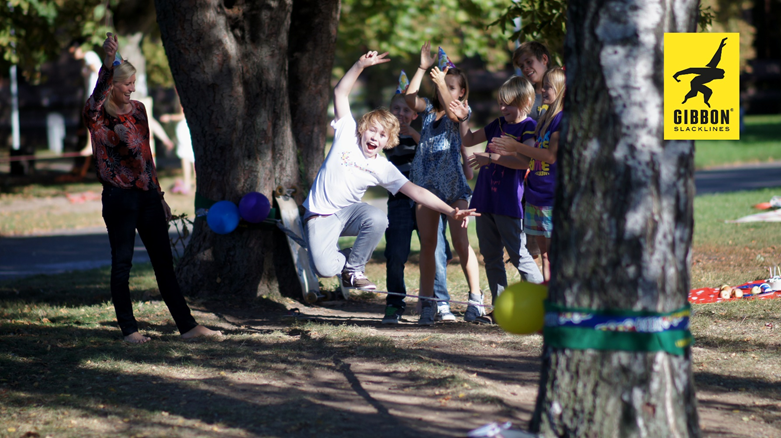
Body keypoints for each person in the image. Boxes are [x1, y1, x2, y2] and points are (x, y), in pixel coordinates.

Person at [303, 50, 478, 326]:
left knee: (377, 218)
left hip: (349, 213)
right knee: (324, 268)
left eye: (382, 135)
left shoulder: (382, 166)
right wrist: (360, 64)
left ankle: (354, 267)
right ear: (362, 129)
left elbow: (416, 192)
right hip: (320, 216)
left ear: (389, 141)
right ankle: (337, 263)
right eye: (372, 130)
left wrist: (450, 211)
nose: (375, 137)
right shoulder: (347, 133)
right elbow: (340, 92)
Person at [84, 33, 221, 343]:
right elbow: (99, 91)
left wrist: (159, 196)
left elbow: (146, 155)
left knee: (164, 264)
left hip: (147, 196)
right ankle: (129, 331)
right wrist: (108, 63)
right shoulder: (97, 116)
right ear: (112, 86)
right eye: (127, 83)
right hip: (119, 199)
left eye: (133, 82)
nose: (132, 88)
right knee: (122, 265)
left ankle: (187, 327)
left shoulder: (139, 110)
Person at [450, 76, 544, 322]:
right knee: (491, 257)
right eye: (500, 103)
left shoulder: (528, 127)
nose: (502, 109)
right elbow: (469, 140)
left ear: (524, 102)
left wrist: (491, 158)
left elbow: (525, 162)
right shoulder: (498, 124)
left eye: (508, 104)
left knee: (518, 255)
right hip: (484, 200)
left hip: (508, 203)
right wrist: (463, 119)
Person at [405, 42, 482, 324]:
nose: (445, 89)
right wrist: (423, 68)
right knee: (428, 244)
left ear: (461, 91)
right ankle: (428, 303)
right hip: (425, 187)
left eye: (452, 86)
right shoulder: (427, 111)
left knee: (461, 243)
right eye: (443, 85)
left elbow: (455, 115)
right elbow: (410, 97)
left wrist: (439, 82)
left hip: (453, 187)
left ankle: (476, 298)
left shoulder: (463, 108)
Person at [382, 92, 455, 324]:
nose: (401, 114)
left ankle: (438, 301)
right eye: (396, 109)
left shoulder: (424, 133)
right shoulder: (385, 137)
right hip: (399, 202)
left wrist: (414, 135)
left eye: (406, 110)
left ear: (415, 114)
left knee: (436, 251)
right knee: (395, 253)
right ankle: (395, 304)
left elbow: (437, 156)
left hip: (428, 201)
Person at [490, 67, 566, 281]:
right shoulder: (543, 119)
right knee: (544, 255)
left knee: (554, 253)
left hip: (552, 197)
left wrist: (516, 146)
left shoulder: (562, 119)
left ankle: (557, 297)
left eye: (548, 86)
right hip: (536, 195)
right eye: (544, 86)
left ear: (562, 89)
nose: (543, 89)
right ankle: (546, 300)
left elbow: (551, 156)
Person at [512, 41, 553, 263]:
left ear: (544, 59)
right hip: (531, 180)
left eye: (530, 62)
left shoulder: (560, 95)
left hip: (553, 180)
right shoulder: (528, 99)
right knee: (535, 247)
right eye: (522, 65)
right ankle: (538, 288)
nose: (526, 68)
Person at [160, 95, 195, 195]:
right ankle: (191, 182)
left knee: (187, 157)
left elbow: (184, 115)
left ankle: (188, 183)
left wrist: (170, 117)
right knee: (189, 157)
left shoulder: (184, 97)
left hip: (185, 129)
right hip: (185, 129)